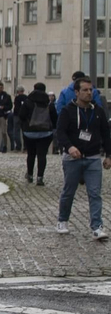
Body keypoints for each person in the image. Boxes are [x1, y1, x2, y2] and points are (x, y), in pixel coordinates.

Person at [54, 77, 111, 239]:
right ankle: (62, 220)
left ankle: (97, 227)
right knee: (69, 191)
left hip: (93, 158)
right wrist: (70, 147)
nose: (89, 93)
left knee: (95, 193)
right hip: (72, 158)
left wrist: (109, 155)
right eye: (85, 90)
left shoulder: (98, 111)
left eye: (91, 90)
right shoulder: (67, 110)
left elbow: (106, 134)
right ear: (77, 92)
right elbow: (60, 132)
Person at [17, 81, 57, 185]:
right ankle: (40, 177)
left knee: (31, 154)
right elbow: (55, 119)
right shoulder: (49, 104)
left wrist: (25, 125)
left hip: (29, 133)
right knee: (42, 155)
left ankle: (30, 175)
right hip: (45, 133)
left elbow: (21, 115)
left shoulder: (27, 102)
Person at [9, 85, 26, 150]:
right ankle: (25, 147)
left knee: (16, 131)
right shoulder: (26, 97)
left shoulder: (17, 98)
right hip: (24, 117)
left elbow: (16, 107)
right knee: (24, 132)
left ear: (18, 91)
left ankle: (18, 146)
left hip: (17, 116)